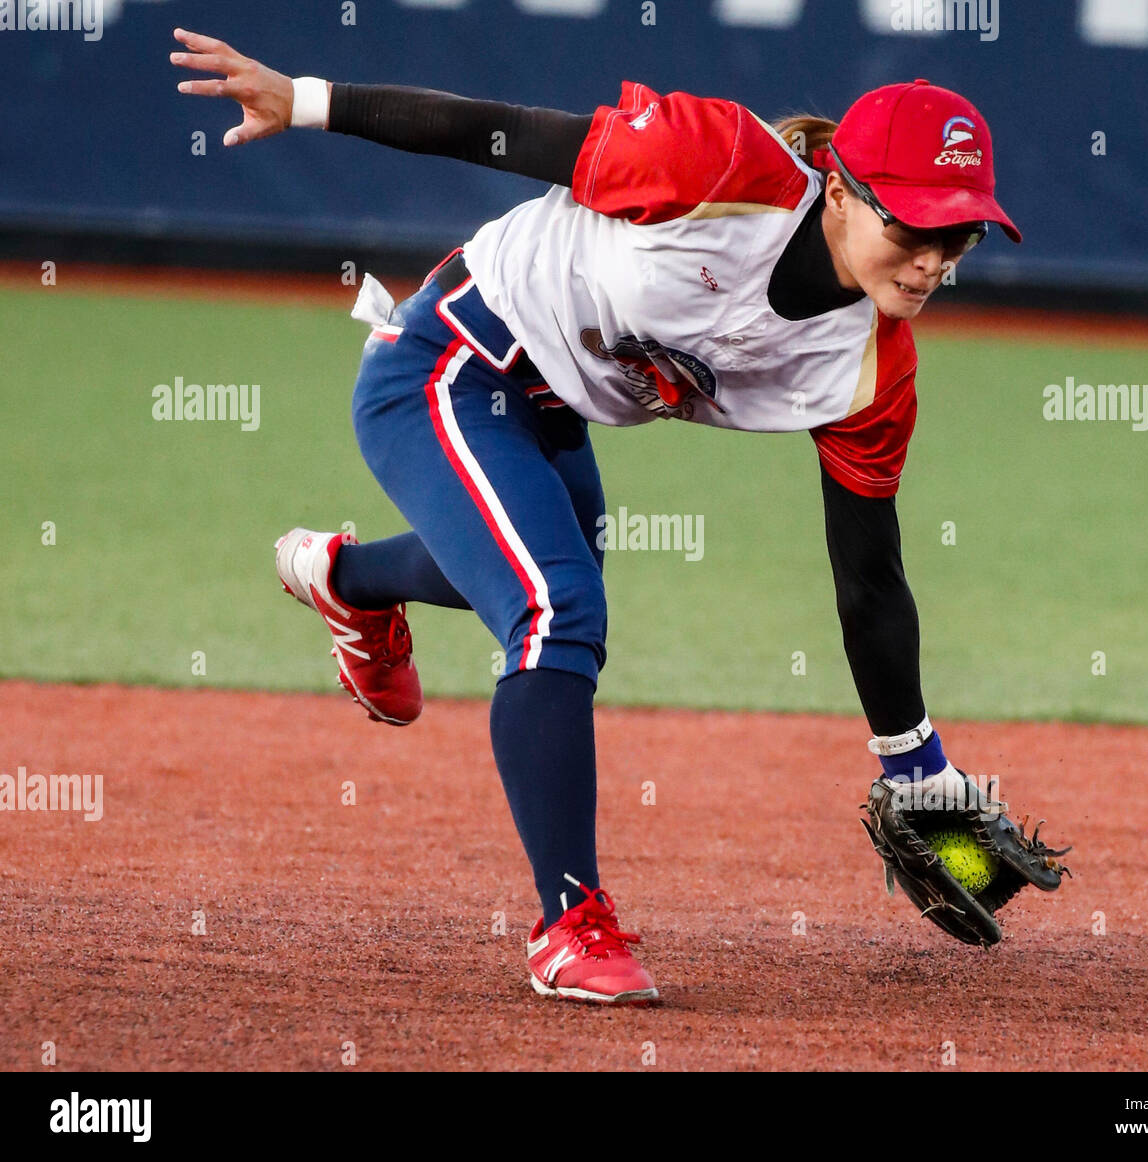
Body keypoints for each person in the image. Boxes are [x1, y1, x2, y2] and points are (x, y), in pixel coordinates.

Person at [172, 27, 1023, 1006]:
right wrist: (309, 99)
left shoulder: (871, 370)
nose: (930, 260)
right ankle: (566, 923)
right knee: (556, 607)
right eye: (911, 226)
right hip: (449, 361)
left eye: (955, 237)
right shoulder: (715, 166)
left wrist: (915, 766)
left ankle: (346, 583)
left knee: (531, 572)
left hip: (553, 411)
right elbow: (501, 131)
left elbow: (868, 577)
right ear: (838, 190)